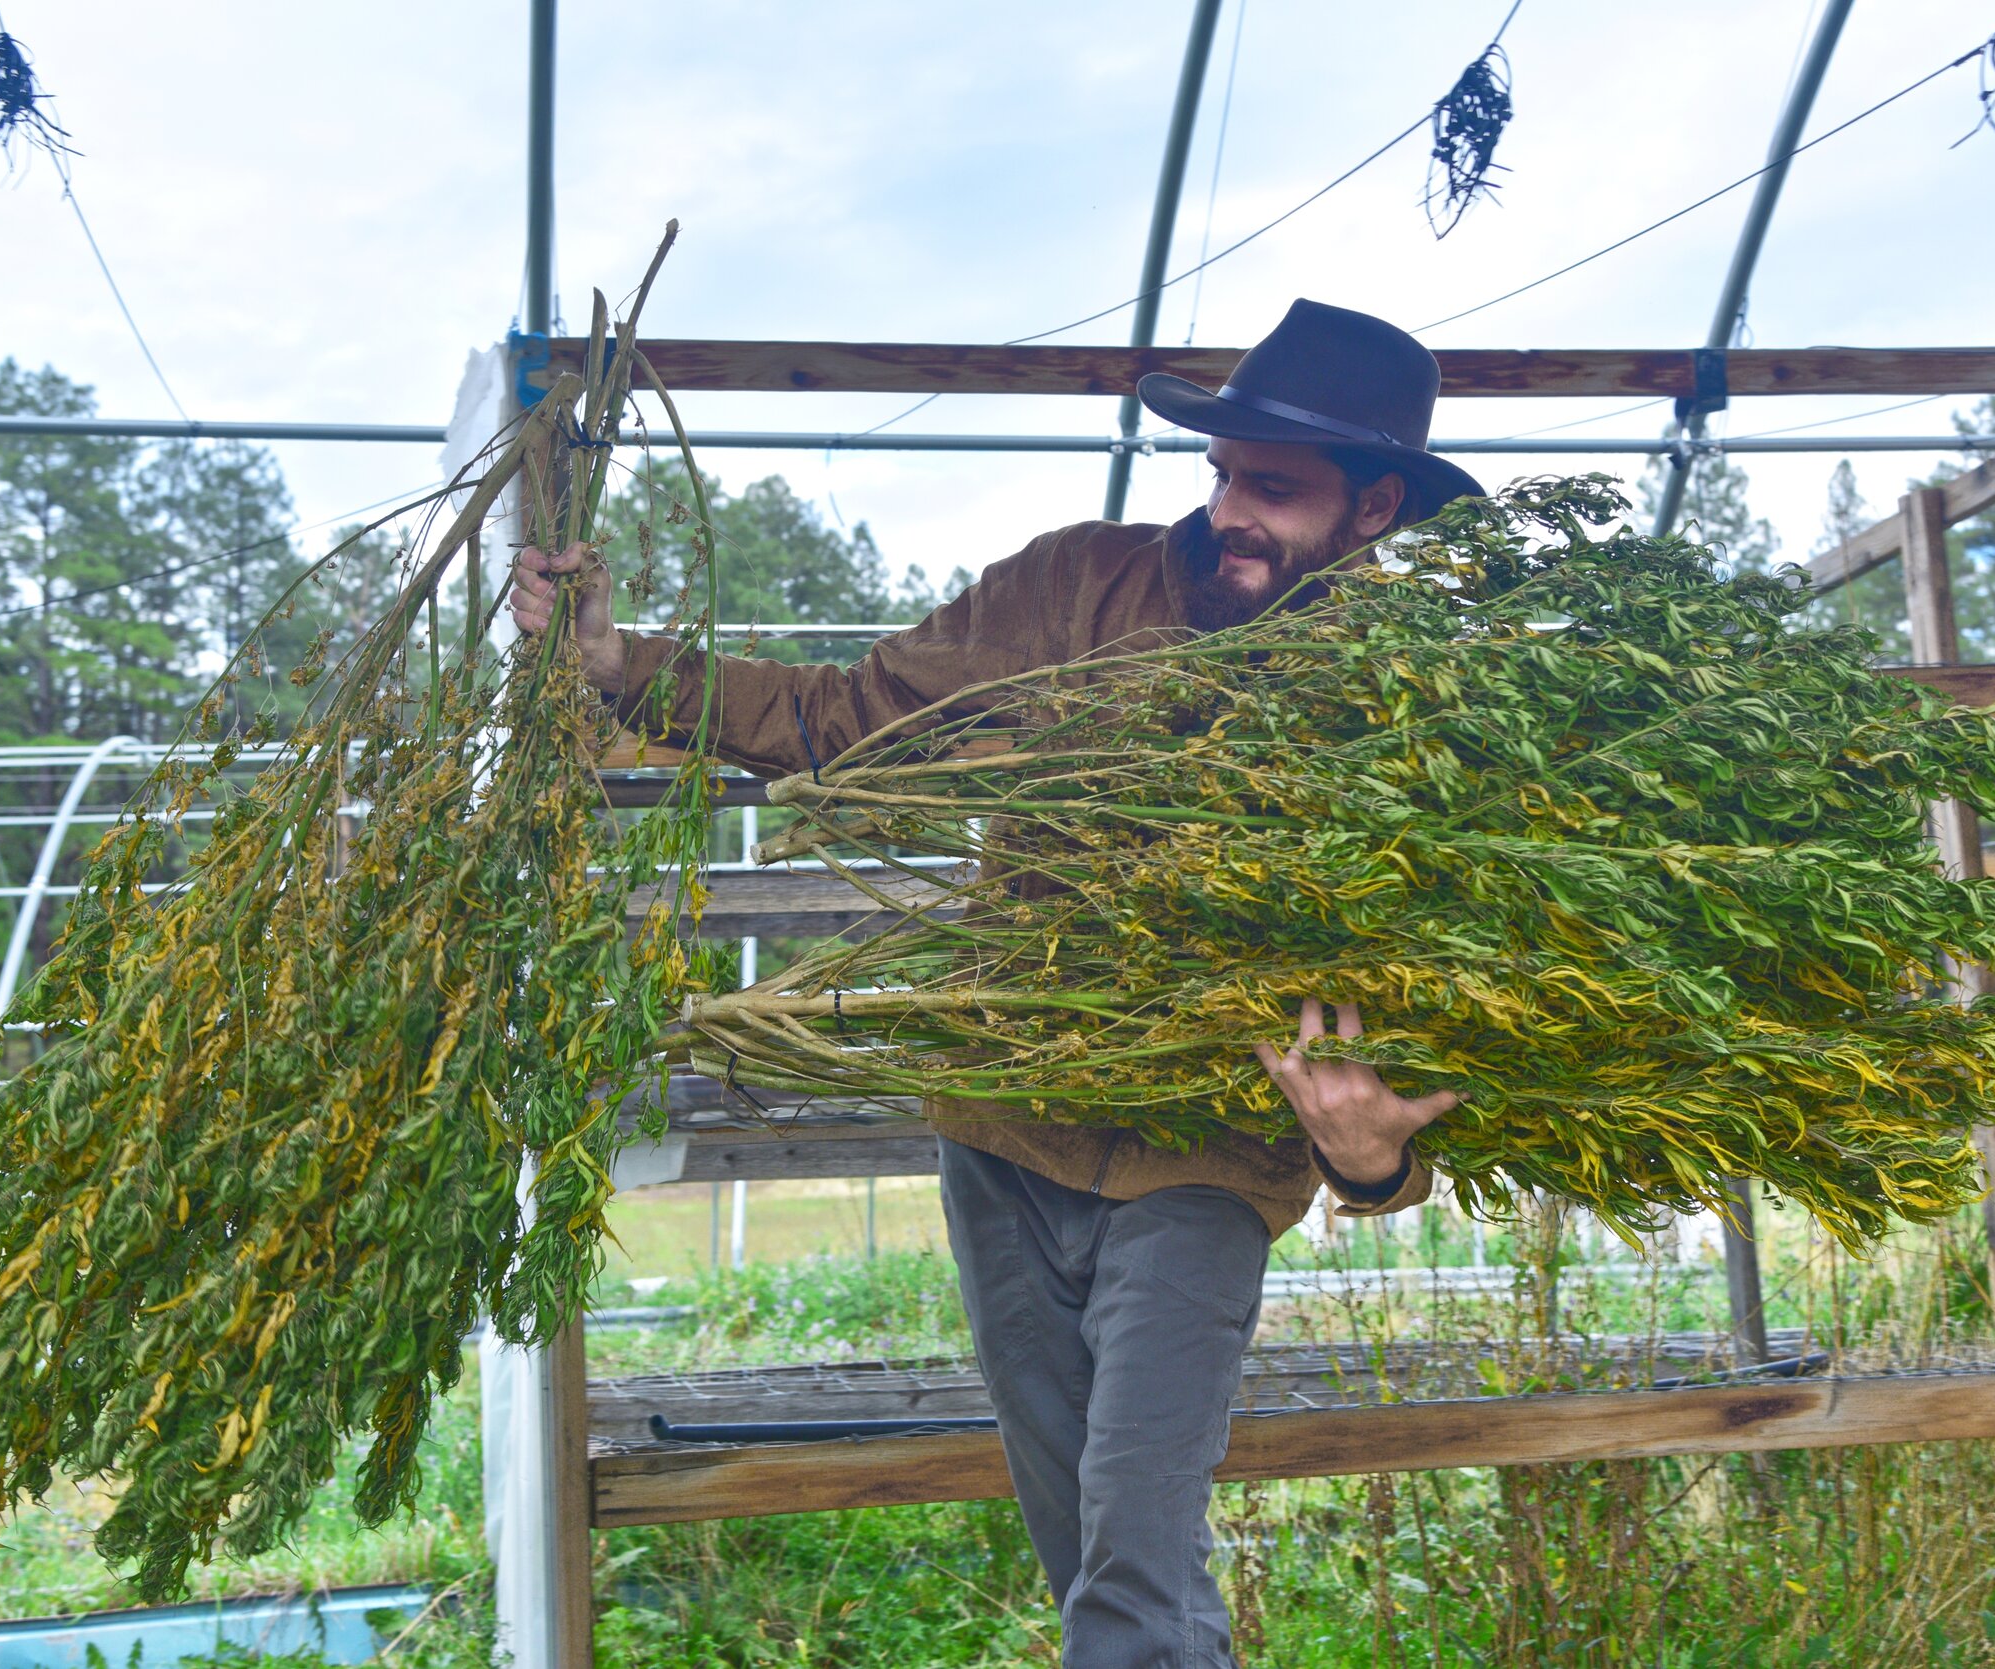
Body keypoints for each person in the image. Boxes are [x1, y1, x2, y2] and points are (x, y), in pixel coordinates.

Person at [514, 299, 1479, 1668]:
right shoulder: (1072, 587)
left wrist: (1377, 1166)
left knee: (1133, 1572)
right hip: (1006, 1133)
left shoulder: (1414, 706)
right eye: (1221, 472)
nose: (1229, 511)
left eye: (1275, 487)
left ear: (1374, 504)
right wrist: (623, 671)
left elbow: (1462, 1008)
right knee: (1088, 1553)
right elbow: (841, 719)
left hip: (1203, 1163)